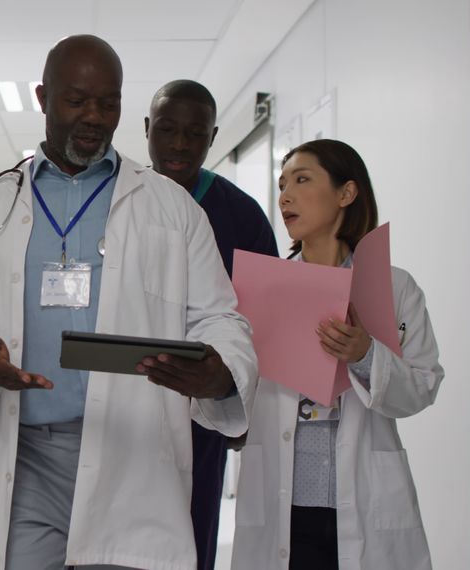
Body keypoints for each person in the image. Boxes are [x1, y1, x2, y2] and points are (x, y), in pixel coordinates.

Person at [0, 35, 258, 570]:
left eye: (109, 102)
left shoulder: (171, 207)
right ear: (43, 97)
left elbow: (220, 316)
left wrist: (220, 376)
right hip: (26, 455)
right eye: (77, 100)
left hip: (132, 452)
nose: (95, 117)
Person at [231, 139, 444, 570]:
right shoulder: (261, 289)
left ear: (346, 193)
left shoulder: (393, 287)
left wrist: (365, 354)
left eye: (302, 180)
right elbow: (238, 391)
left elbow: (422, 386)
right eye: (282, 184)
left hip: (363, 501)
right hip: (281, 505)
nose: (285, 195)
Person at [145, 79, 279, 570]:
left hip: (201, 404)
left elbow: (265, 322)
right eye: (167, 130)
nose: (180, 144)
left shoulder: (242, 217)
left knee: (192, 531)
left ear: (213, 136)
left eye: (195, 133)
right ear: (147, 131)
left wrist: (247, 405)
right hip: (123, 396)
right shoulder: (118, 202)